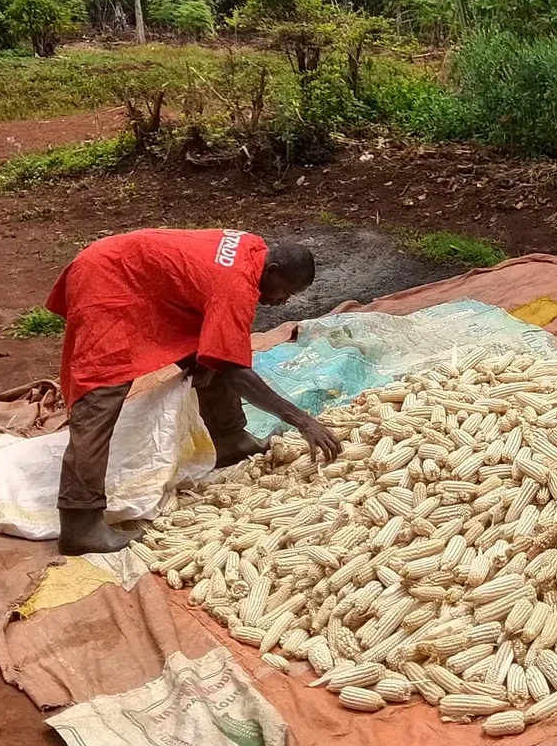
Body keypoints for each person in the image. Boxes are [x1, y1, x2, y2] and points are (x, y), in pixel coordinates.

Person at [45, 228, 343, 555]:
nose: (281, 301)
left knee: (219, 349)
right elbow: (235, 371)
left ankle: (229, 440)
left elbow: (223, 351)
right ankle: (80, 522)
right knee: (101, 391)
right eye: (284, 292)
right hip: (107, 278)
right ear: (271, 271)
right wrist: (302, 421)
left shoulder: (254, 250)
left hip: (143, 276)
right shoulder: (234, 287)